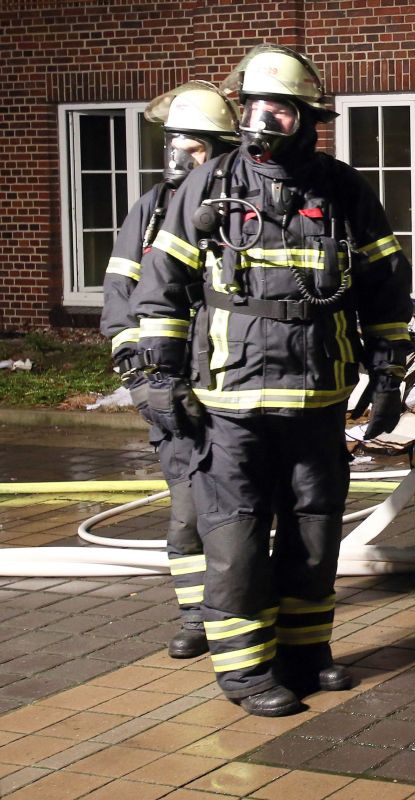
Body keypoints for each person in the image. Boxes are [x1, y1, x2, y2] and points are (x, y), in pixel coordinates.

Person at [130, 44, 413, 717]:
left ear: (309, 117)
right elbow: (162, 287)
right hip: (228, 407)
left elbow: (384, 286)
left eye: (283, 110)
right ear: (242, 110)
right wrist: (159, 377)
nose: (268, 122)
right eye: (258, 108)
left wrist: (388, 371)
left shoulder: (343, 190)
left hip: (318, 400)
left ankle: (306, 655)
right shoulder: (210, 184)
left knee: (314, 538)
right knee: (235, 541)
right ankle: (245, 673)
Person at [100, 81, 240, 660]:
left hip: (235, 389)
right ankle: (195, 616)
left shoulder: (241, 209)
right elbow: (120, 299)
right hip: (172, 391)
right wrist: (145, 382)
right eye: (174, 142)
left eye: (194, 145)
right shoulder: (151, 209)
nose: (180, 154)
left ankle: (245, 612)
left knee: (243, 516)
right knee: (187, 512)